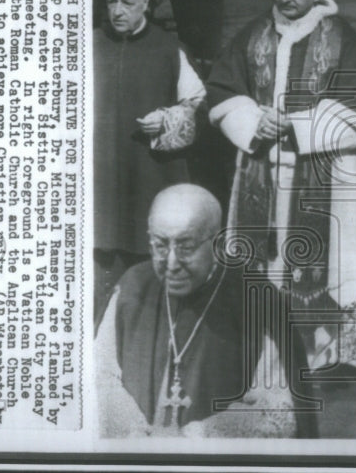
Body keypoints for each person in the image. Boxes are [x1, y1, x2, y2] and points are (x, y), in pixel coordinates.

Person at [206, 0, 356, 374]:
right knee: (266, 266)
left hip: (324, 179)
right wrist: (252, 120)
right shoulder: (254, 34)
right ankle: (266, 352)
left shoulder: (342, 38)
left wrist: (298, 126)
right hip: (263, 171)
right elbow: (221, 89)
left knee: (326, 269)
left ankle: (319, 357)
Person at [96, 184, 317, 438]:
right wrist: (134, 432)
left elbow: (278, 411)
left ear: (216, 243)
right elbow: (100, 377)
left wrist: (199, 436)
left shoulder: (256, 299)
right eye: (159, 245)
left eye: (186, 247)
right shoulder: (133, 287)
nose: (171, 263)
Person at [93, 0, 206, 327]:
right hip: (100, 176)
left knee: (146, 274)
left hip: (148, 175)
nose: (118, 11)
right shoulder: (90, 44)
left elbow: (197, 106)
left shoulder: (168, 50)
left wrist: (169, 119)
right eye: (112, 1)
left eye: (128, 3)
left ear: (146, 5)